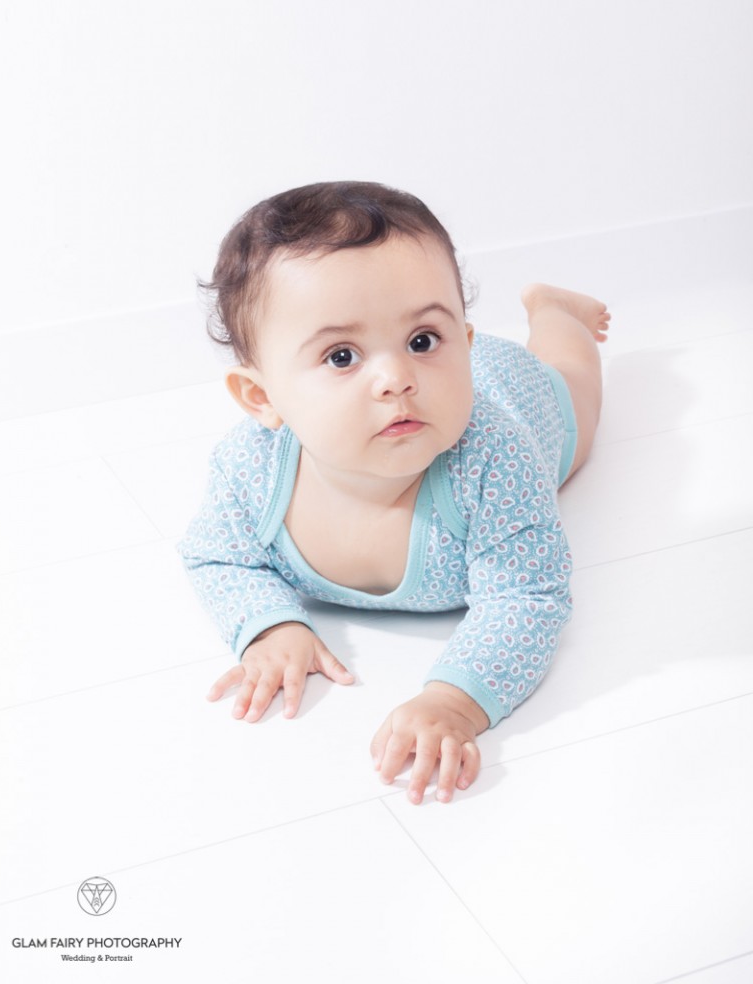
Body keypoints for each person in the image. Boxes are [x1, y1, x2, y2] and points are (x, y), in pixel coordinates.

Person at [178, 181, 610, 804]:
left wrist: (453, 702)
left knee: (576, 385)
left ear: (462, 342)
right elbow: (215, 555)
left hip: (522, 393)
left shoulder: (495, 456)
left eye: (423, 340)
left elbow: (526, 596)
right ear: (262, 397)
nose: (397, 379)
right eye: (342, 356)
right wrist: (270, 626)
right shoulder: (252, 469)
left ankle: (556, 313)